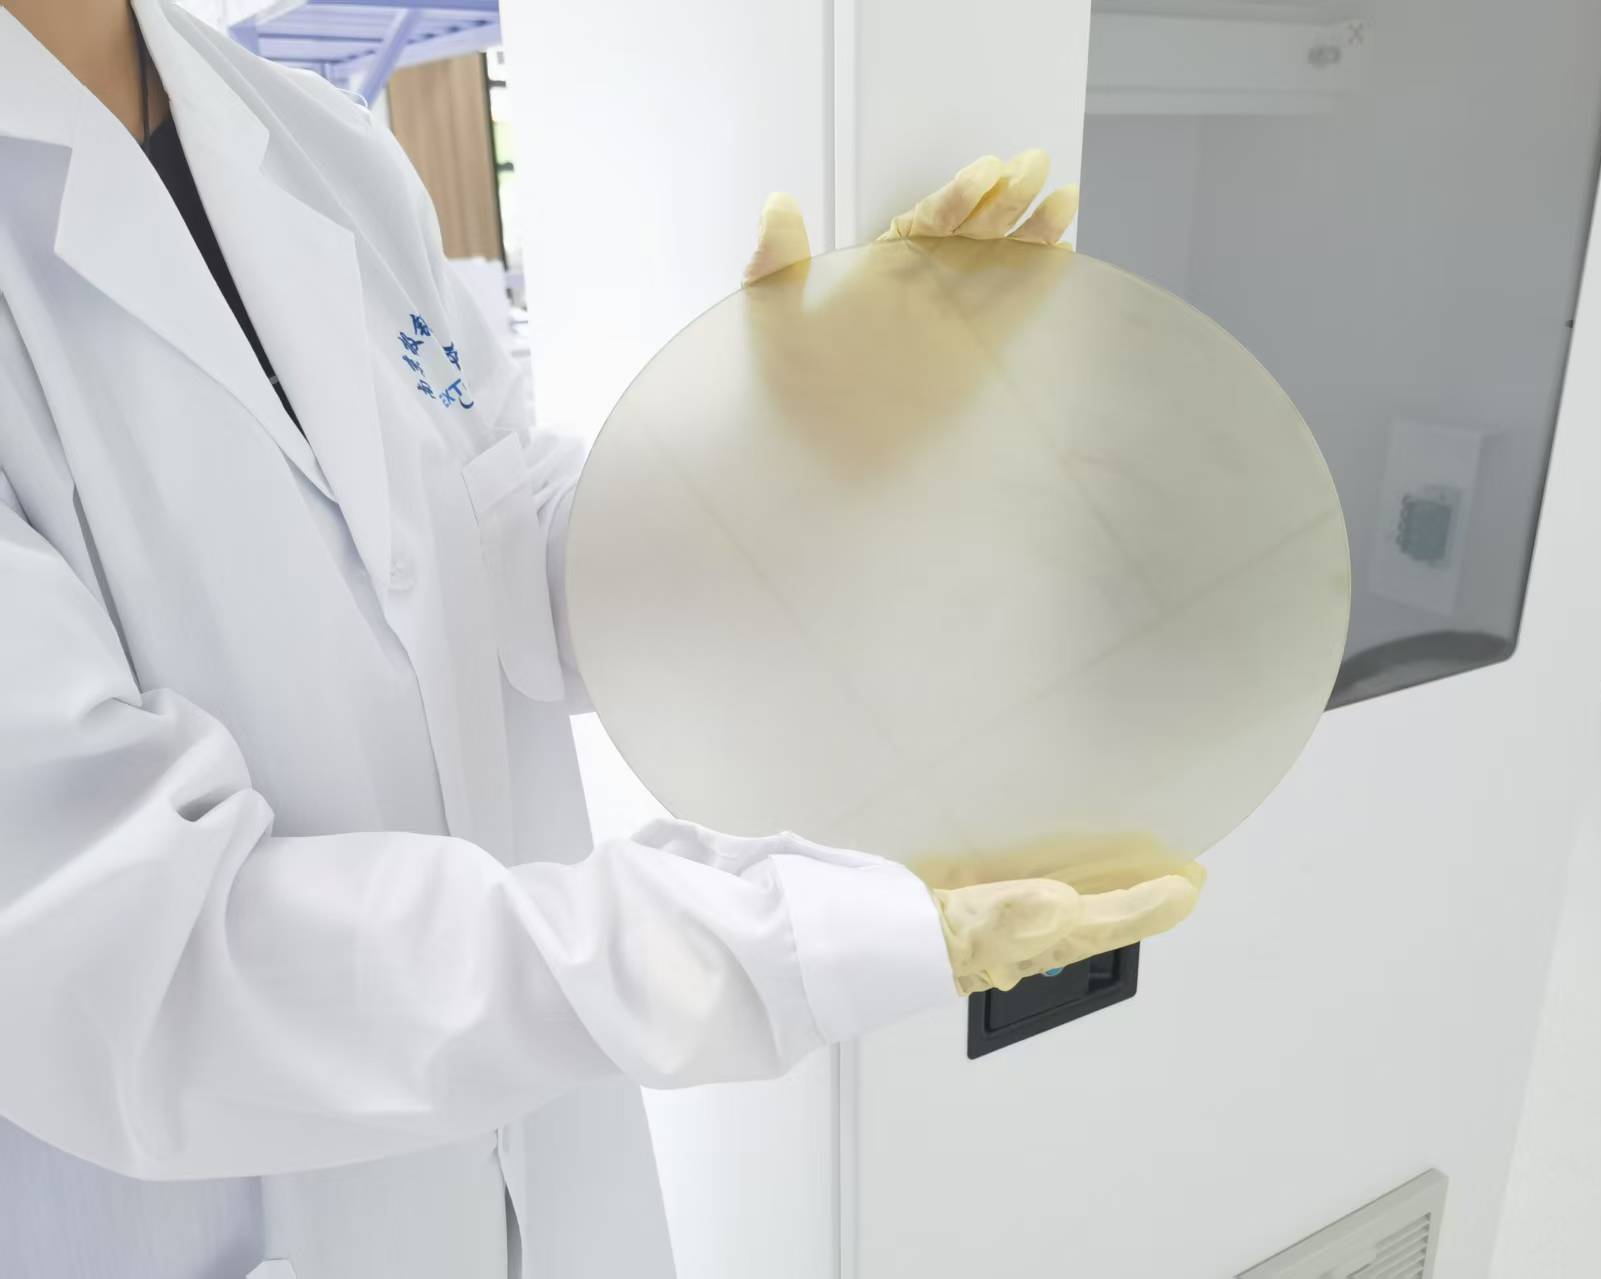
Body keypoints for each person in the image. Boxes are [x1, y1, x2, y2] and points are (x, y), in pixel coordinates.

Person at [0, 2, 1204, 1275]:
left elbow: (493, 541)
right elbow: (136, 966)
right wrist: (769, 942)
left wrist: (777, 460)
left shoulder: (311, 143)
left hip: (552, 1185)